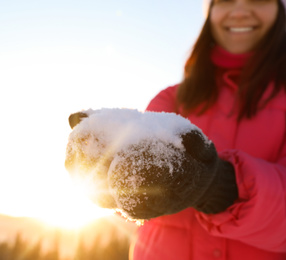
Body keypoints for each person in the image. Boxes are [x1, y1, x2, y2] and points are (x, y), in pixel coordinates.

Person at [66, 0, 286, 259]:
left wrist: (222, 187)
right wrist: (112, 176)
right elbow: (139, 195)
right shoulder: (171, 99)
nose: (239, 11)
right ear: (210, 13)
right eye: (225, 0)